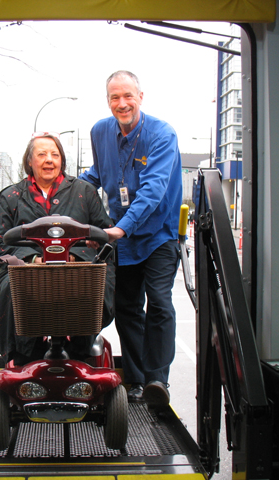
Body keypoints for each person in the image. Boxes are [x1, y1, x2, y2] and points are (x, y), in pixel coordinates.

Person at [79, 70, 183, 407]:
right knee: (126, 307)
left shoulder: (161, 134)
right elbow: (96, 175)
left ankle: (157, 380)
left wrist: (121, 228)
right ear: (108, 100)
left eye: (128, 96)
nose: (122, 103)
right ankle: (137, 381)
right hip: (121, 235)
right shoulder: (100, 131)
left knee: (159, 301)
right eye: (115, 97)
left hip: (158, 233)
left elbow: (153, 190)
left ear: (140, 97)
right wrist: (62, 190)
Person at [0, 133, 115, 366]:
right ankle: (21, 356)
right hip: (27, 273)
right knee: (11, 287)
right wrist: (33, 260)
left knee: (95, 284)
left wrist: (78, 256)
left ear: (61, 161)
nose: (49, 159)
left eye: (55, 155)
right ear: (30, 161)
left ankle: (80, 350)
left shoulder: (84, 192)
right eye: (42, 154)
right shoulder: (11, 197)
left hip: (78, 271)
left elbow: (107, 236)